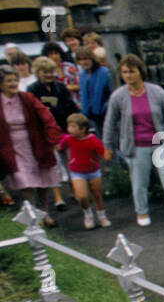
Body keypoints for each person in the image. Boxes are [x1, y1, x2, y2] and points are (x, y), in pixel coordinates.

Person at [102, 54, 164, 227]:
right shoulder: (118, 96)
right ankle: (142, 212)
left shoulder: (156, 92)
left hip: (160, 143)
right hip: (135, 146)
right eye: (124, 72)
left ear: (140, 71)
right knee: (140, 182)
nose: (128, 75)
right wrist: (107, 146)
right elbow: (109, 123)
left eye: (131, 71)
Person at [0, 65, 62, 221]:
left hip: (34, 144)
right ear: (1, 84)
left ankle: (44, 213)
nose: (13, 83)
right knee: (24, 182)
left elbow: (46, 116)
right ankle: (33, 217)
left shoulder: (27, 98)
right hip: (11, 148)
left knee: (42, 180)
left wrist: (53, 136)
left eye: (15, 80)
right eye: (8, 81)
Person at [30, 56, 77, 212]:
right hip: (46, 132)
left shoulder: (60, 87)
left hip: (63, 129)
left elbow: (70, 106)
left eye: (51, 71)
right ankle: (58, 197)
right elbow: (36, 113)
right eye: (45, 72)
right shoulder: (32, 89)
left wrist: (54, 110)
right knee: (54, 164)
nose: (49, 75)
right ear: (38, 73)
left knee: (70, 161)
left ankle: (74, 190)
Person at [57, 113, 110, 229]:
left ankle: (102, 216)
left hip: (93, 171)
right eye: (69, 126)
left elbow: (103, 152)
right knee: (81, 196)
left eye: (73, 127)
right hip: (77, 171)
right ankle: (88, 214)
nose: (69, 129)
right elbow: (61, 147)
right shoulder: (68, 139)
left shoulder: (93, 140)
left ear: (83, 128)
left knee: (97, 195)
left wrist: (107, 155)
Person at [75, 48, 109, 136]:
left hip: (106, 113)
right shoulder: (82, 75)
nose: (83, 62)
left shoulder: (105, 72)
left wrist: (105, 108)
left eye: (86, 59)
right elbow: (83, 95)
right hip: (92, 115)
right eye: (80, 59)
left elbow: (113, 94)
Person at [43, 41, 79, 106]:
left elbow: (80, 85)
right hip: (58, 106)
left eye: (56, 53)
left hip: (76, 103)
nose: (54, 56)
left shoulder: (70, 67)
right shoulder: (46, 73)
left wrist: (68, 87)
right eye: (51, 54)